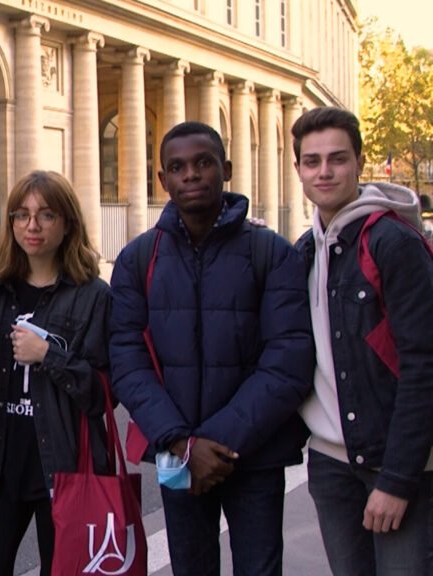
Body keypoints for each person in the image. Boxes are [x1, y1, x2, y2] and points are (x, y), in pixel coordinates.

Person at [109, 121, 314, 576]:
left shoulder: (272, 254)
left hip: (254, 454)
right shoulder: (138, 258)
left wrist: (215, 442)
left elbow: (288, 360)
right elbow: (126, 359)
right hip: (176, 451)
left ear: (226, 169)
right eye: (177, 167)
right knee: (190, 568)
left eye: (203, 163)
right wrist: (183, 443)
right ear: (162, 179)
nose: (191, 175)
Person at [291, 107, 433, 576]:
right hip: (331, 465)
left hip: (393, 463)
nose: (324, 171)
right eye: (312, 161)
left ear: (358, 162)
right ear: (298, 171)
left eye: (338, 158)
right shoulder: (305, 251)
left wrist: (397, 479)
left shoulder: (393, 243)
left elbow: (423, 365)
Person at [0, 171, 111, 575]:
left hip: (64, 466)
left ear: (67, 225)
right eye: (21, 214)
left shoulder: (93, 296)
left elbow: (103, 394)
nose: (32, 226)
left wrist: (48, 354)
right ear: (10, 223)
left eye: (47, 215)